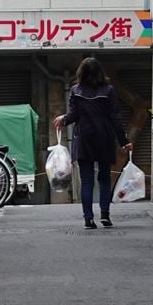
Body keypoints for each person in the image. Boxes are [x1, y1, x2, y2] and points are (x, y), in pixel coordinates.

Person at [53, 56, 130, 229]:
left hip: (83, 139)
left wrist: (63, 119)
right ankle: (105, 216)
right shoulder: (109, 90)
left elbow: (74, 115)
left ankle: (88, 218)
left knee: (86, 181)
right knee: (104, 178)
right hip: (104, 138)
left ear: (81, 72)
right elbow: (115, 118)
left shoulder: (75, 90)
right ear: (100, 72)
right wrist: (124, 141)